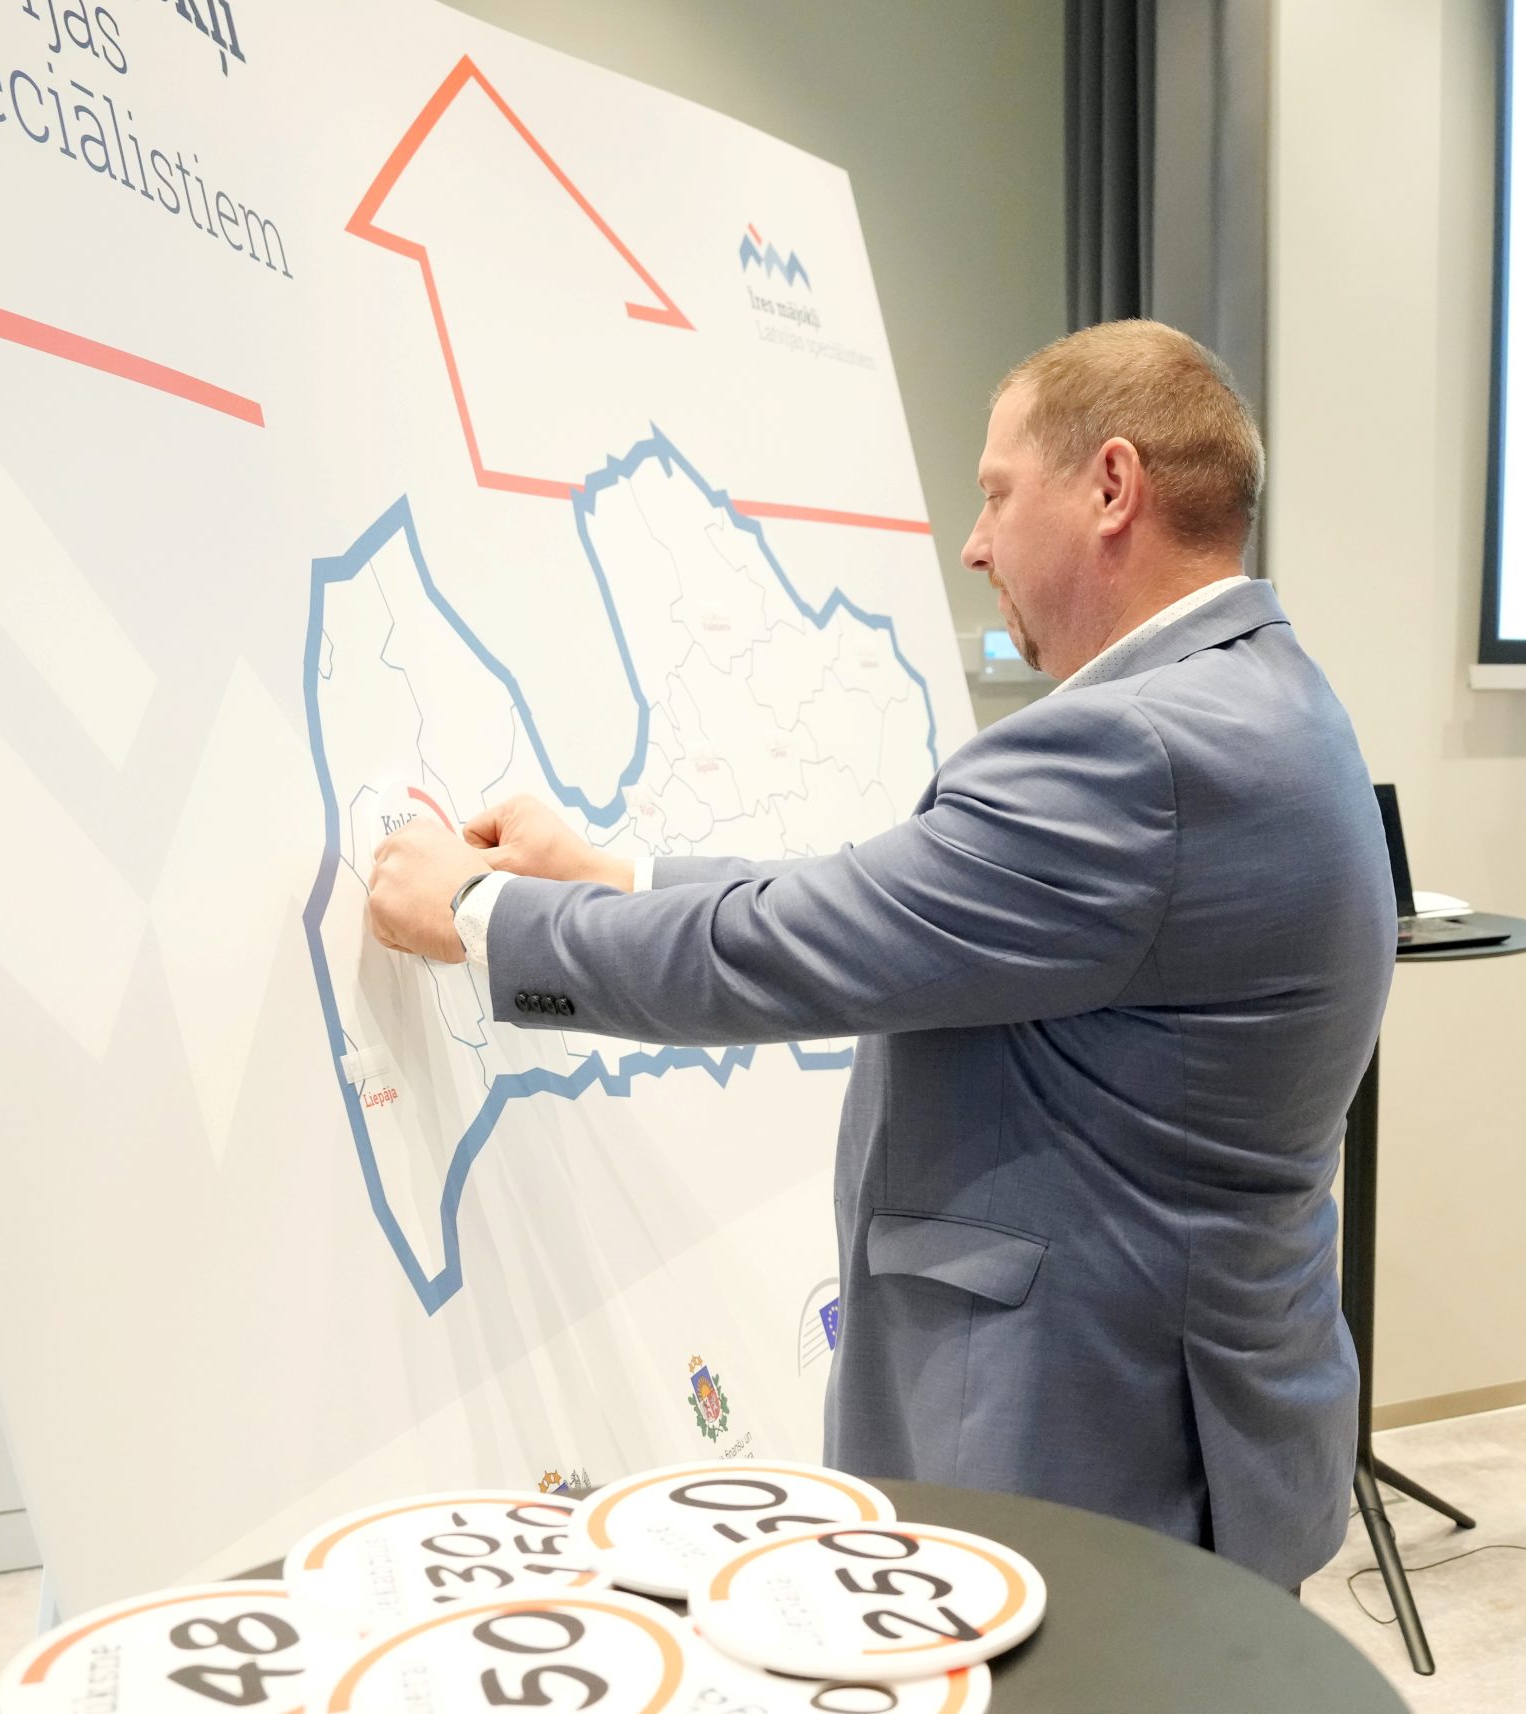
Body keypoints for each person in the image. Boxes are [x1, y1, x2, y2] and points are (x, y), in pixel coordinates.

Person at [363, 320, 1396, 1589]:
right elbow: (897, 905)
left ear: (1111, 486)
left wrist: (477, 916)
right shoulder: (1270, 697)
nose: (974, 543)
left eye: (997, 494)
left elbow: (796, 949)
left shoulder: (1135, 749)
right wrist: (607, 871)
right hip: (1201, 1412)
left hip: (1093, 1444)